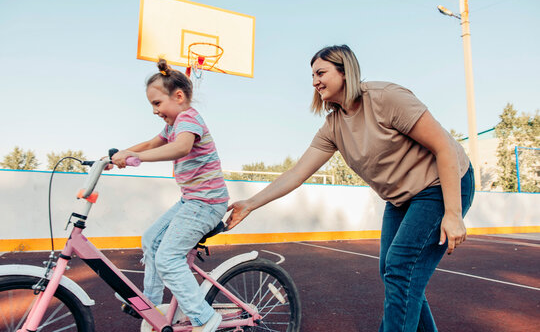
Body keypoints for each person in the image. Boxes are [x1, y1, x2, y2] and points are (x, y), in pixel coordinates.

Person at [226, 45, 475, 331]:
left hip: (441, 184)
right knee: (393, 273)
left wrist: (453, 213)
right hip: (400, 199)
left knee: (400, 268)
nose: (314, 81)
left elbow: (444, 146)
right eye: (312, 75)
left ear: (345, 72)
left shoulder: (386, 98)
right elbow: (296, 173)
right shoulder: (333, 126)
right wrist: (251, 203)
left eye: (321, 72)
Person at [111, 59, 228, 332]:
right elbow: (152, 143)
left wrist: (137, 158)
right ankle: (149, 303)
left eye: (157, 103)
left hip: (207, 203)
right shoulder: (172, 124)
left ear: (178, 96)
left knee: (167, 258)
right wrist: (120, 155)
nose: (154, 111)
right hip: (191, 200)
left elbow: (181, 148)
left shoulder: (189, 118)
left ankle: (204, 317)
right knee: (151, 239)